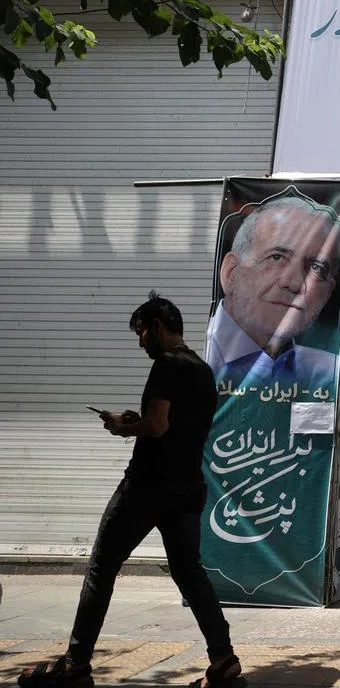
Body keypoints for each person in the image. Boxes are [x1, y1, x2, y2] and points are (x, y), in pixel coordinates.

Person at [19, 293, 243, 688]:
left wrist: (123, 427)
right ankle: (223, 659)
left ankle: (76, 666)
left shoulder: (167, 364)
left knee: (101, 567)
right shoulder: (202, 370)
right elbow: (176, 426)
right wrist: (138, 420)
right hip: (188, 487)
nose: (140, 342)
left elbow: (157, 426)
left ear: (157, 327)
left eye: (141, 332)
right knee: (189, 573)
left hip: (147, 486)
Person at [204, 195, 340, 393]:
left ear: (327, 294)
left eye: (316, 267)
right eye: (277, 257)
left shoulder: (333, 377)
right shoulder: (194, 354)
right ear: (231, 273)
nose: (294, 283)